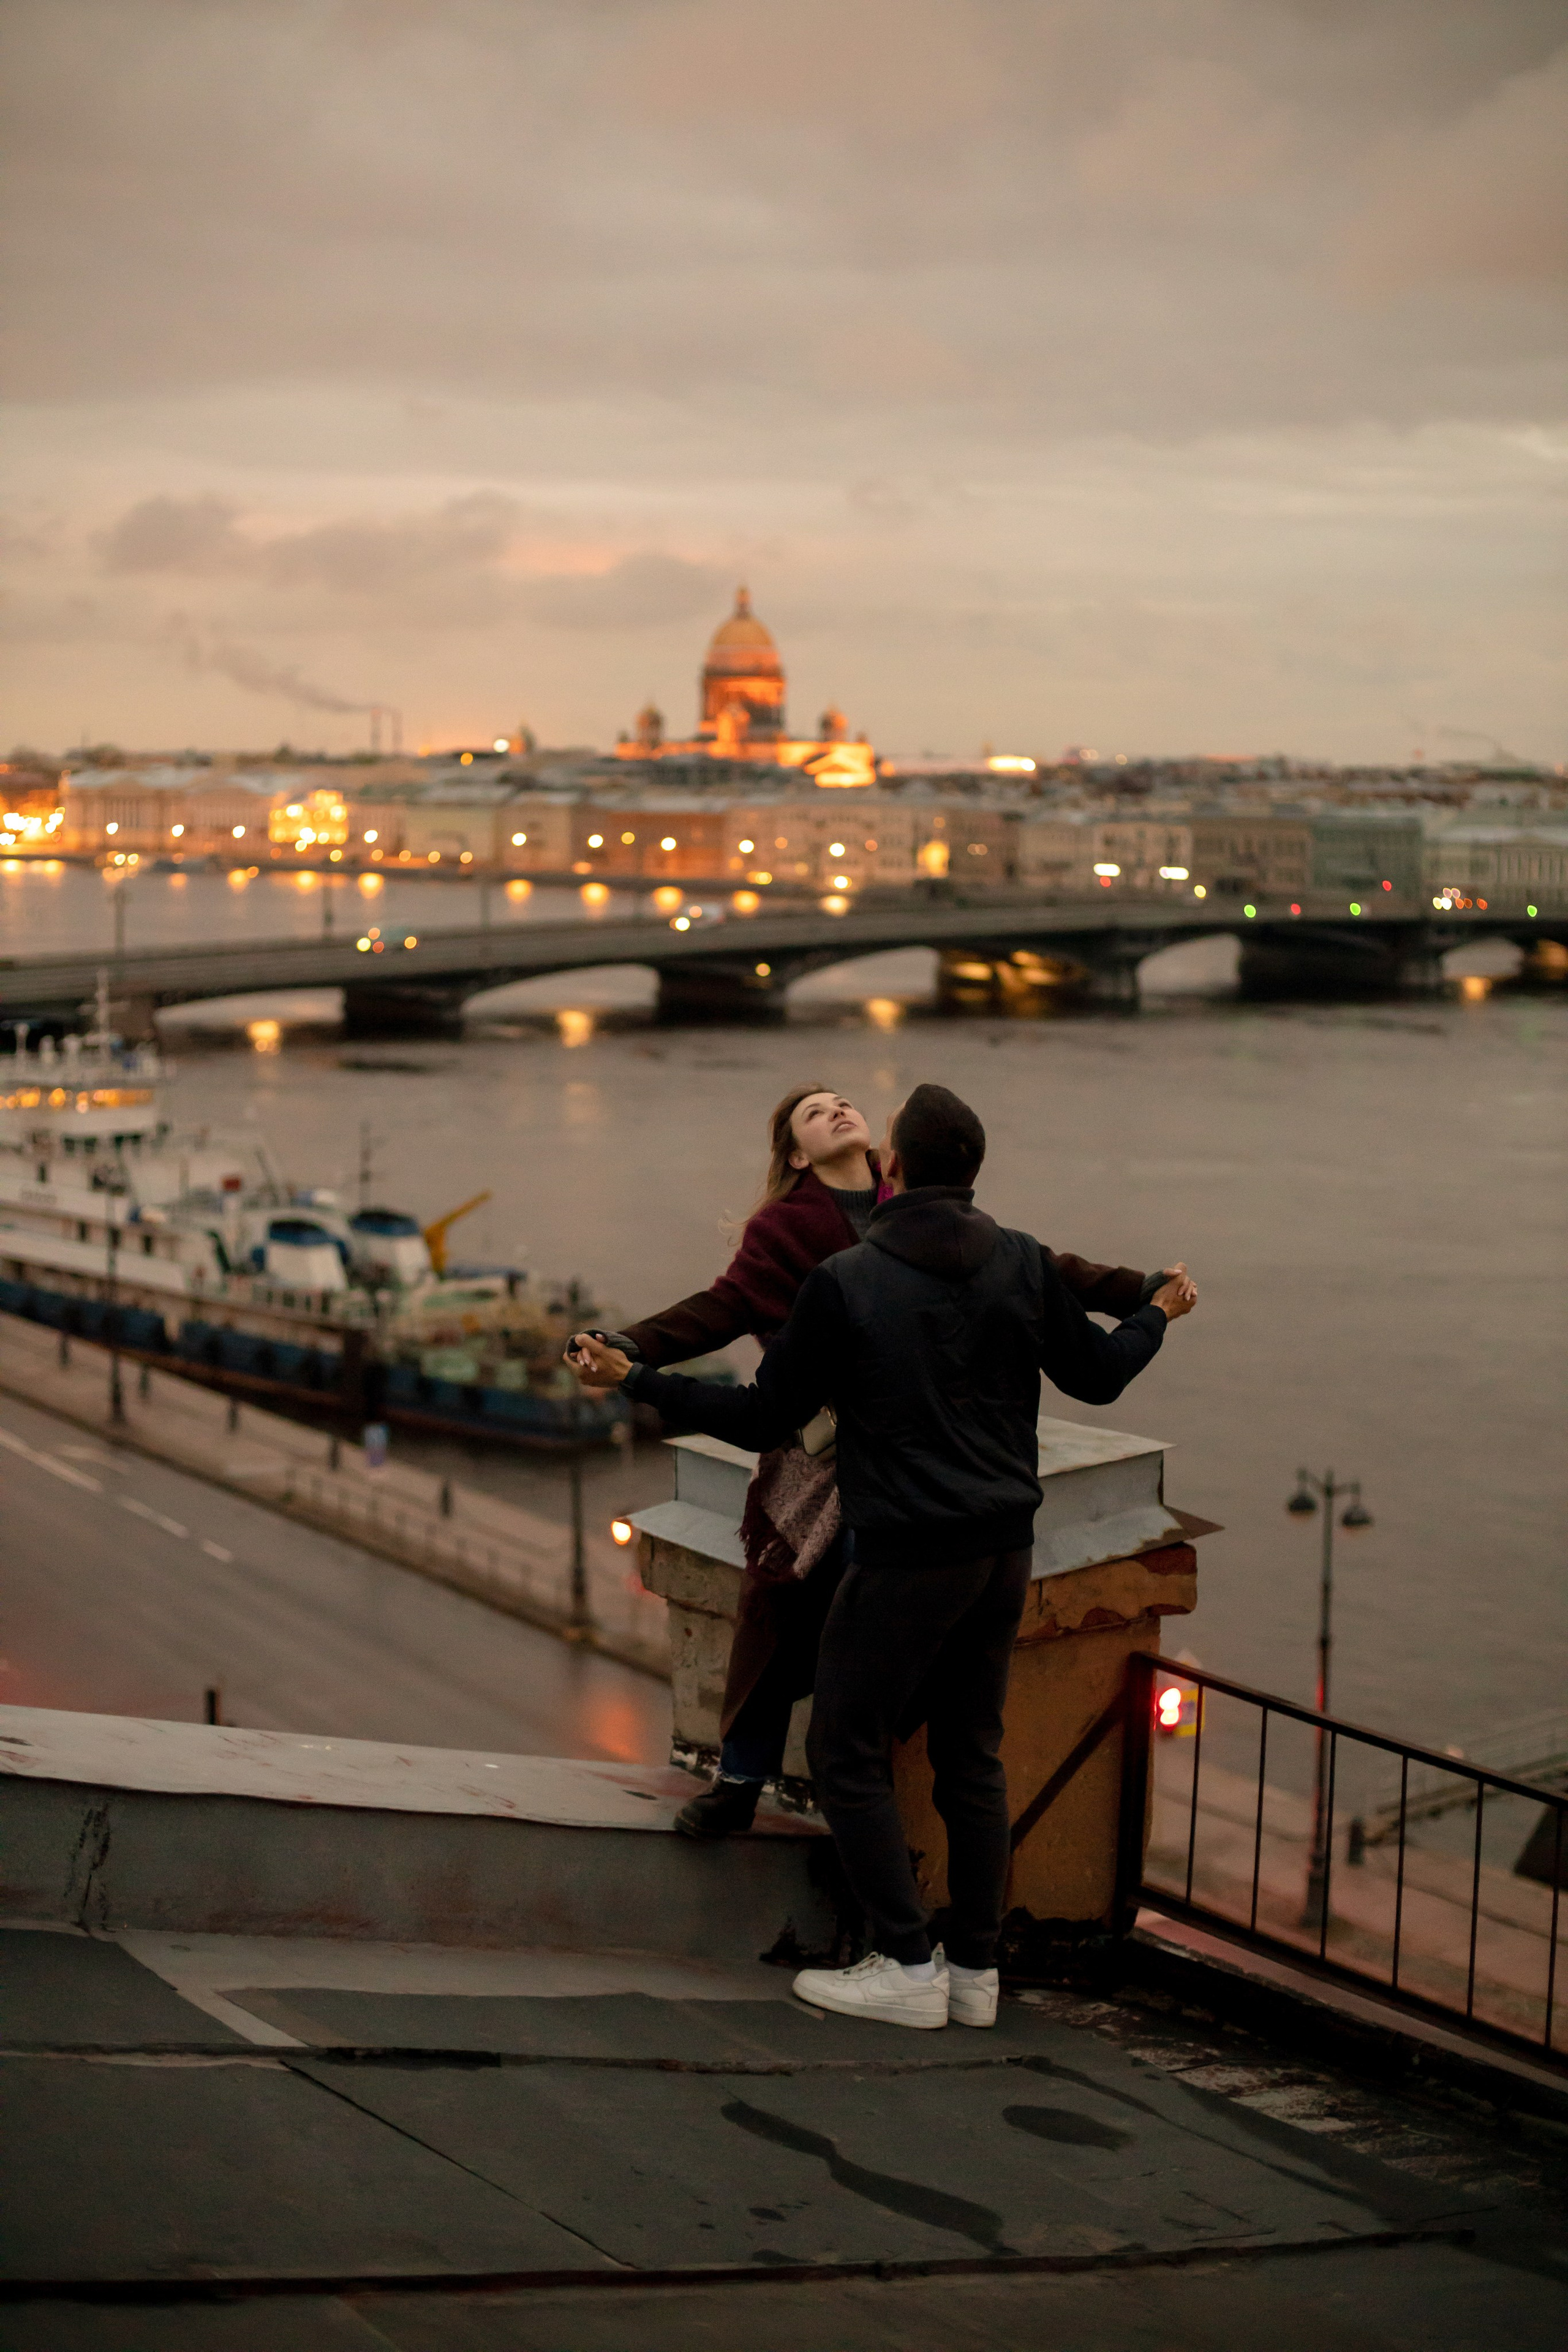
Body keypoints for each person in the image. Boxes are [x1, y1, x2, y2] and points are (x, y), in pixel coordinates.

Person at [571, 1083, 1196, 2033]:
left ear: (894, 1167)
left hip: (906, 1551)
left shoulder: (849, 1280)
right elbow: (1103, 1376)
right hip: (1004, 1550)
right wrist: (1155, 1313)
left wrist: (640, 1383)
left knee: (844, 1750)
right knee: (970, 1756)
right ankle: (976, 1973)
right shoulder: (1019, 1260)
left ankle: (906, 1963)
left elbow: (759, 1416)